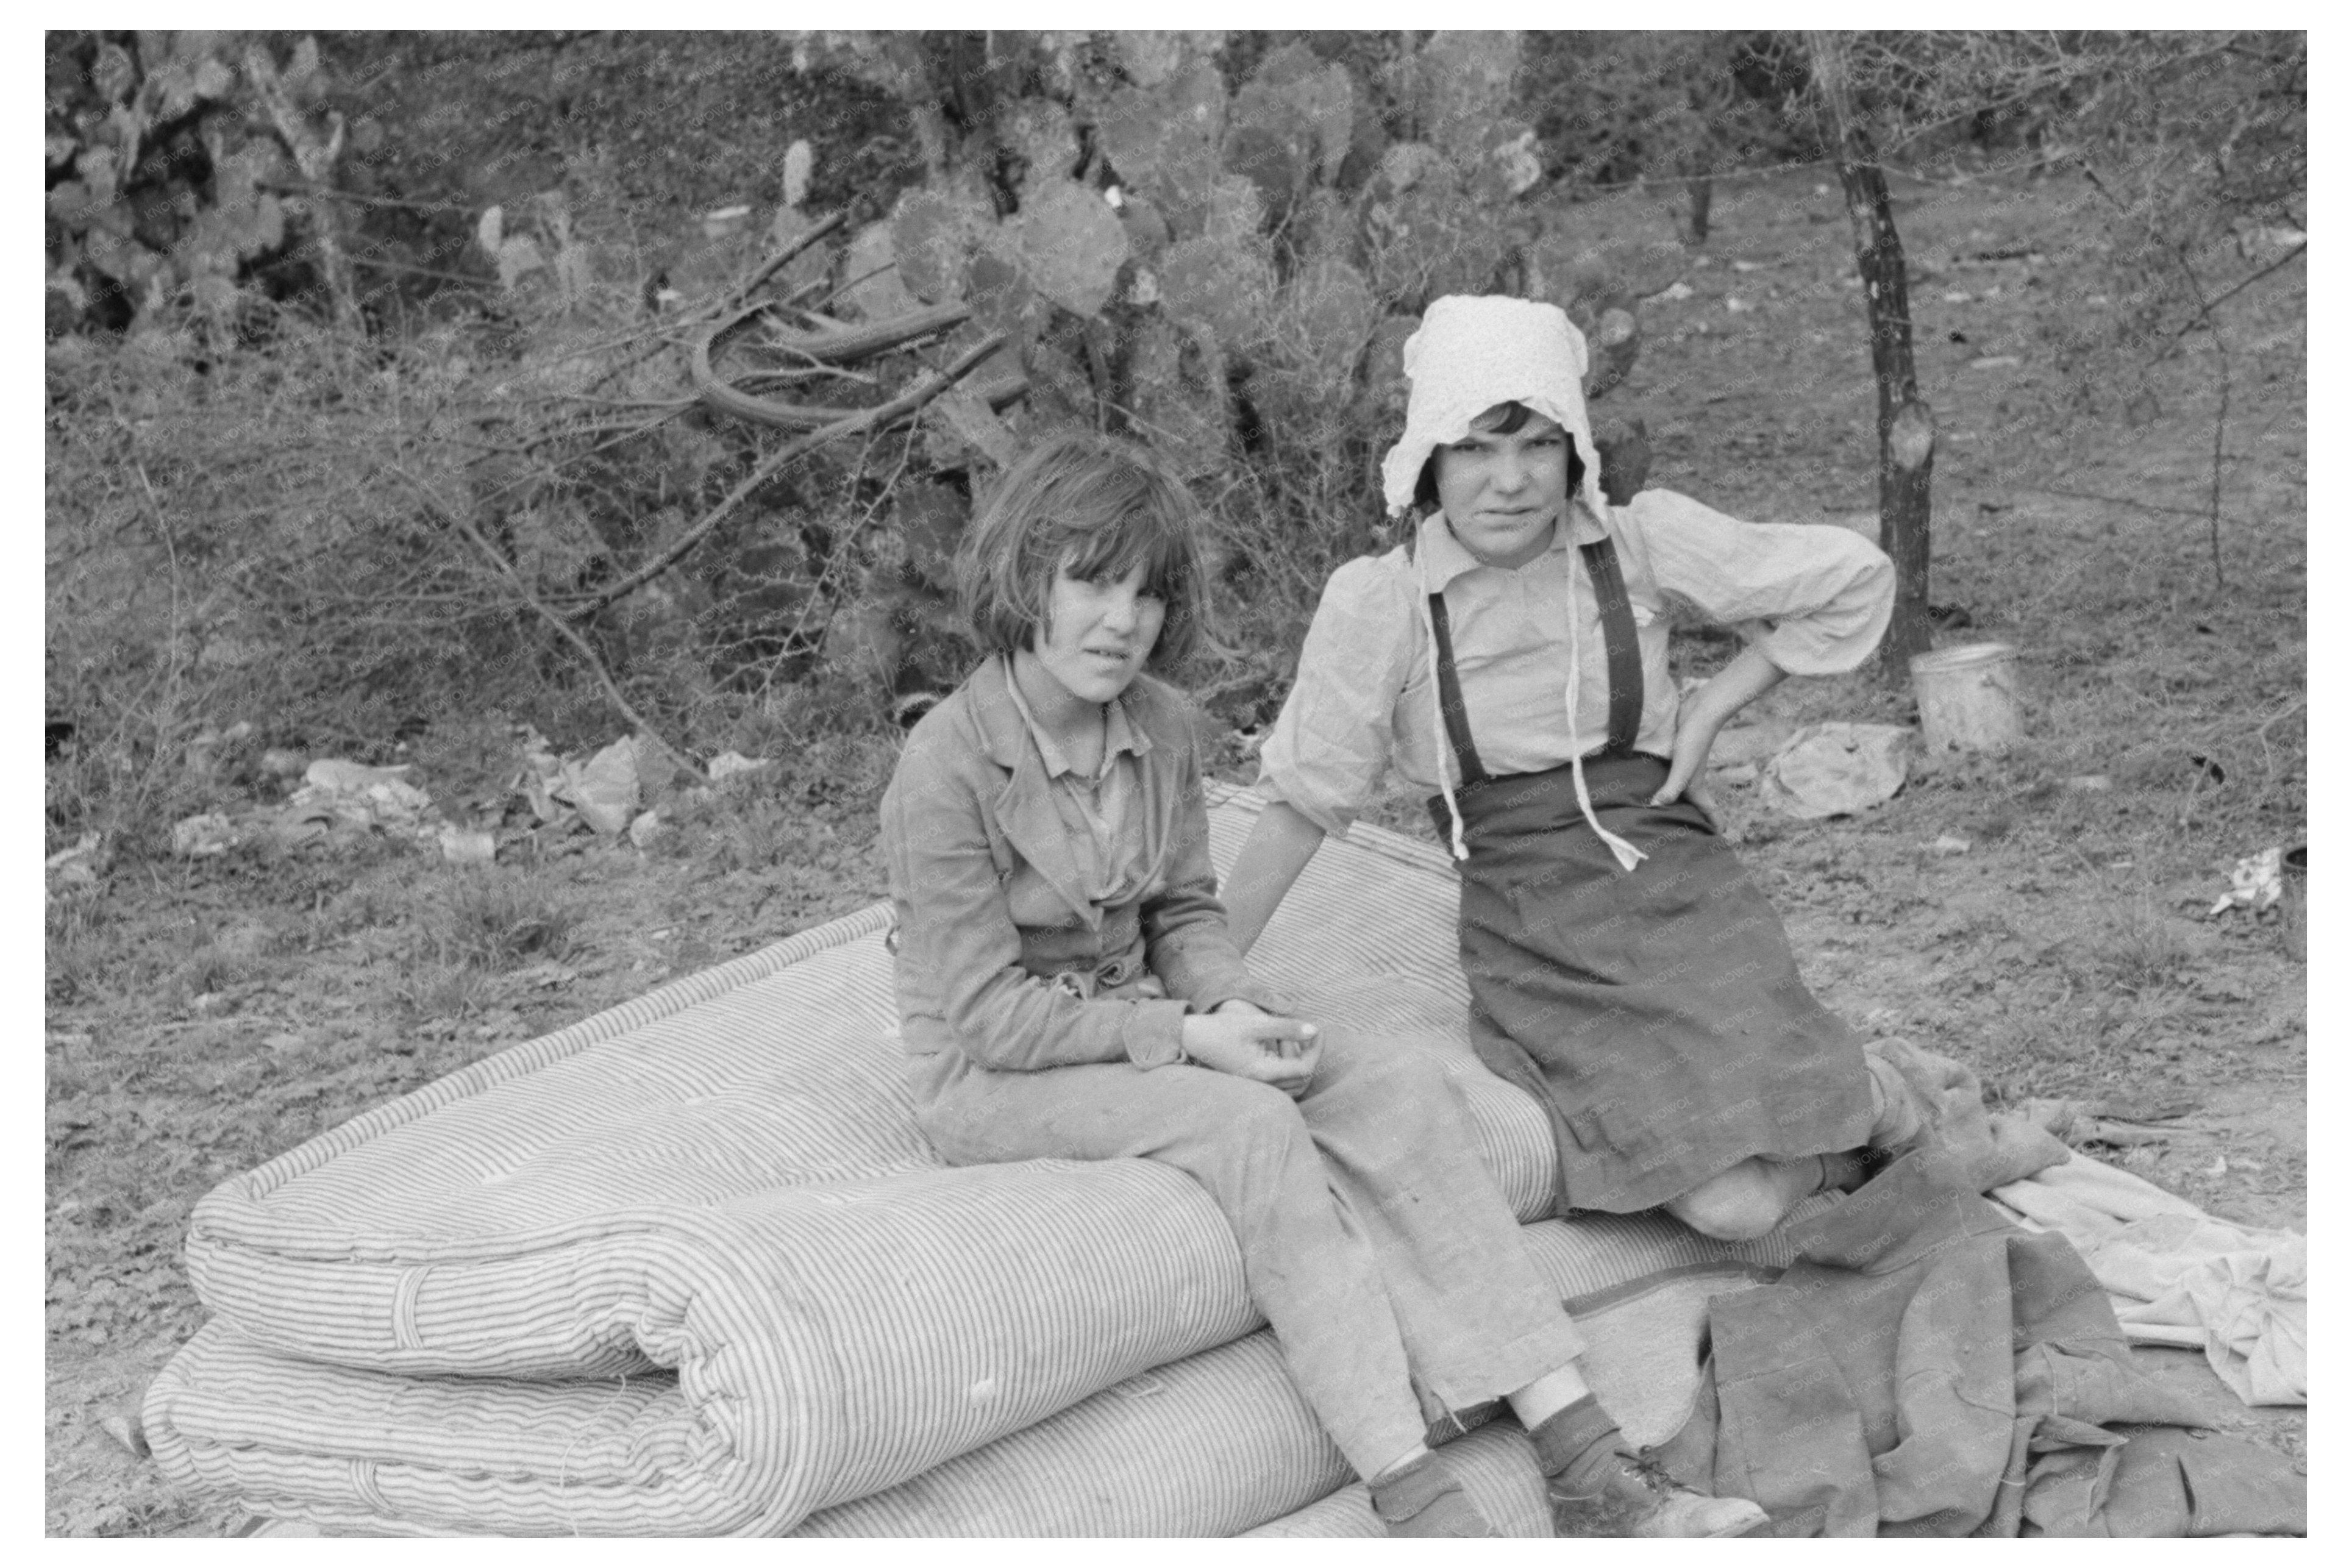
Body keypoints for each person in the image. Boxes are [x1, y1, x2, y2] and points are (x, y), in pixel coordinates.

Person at [880, 429, 1767, 1538]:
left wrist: (1233, 1004)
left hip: (1144, 1021)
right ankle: (1415, 1496)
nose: (1122, 622)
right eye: (1091, 584)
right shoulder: (948, 765)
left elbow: (1182, 912)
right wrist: (1191, 1041)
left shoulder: (1157, 724)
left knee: (1387, 1086)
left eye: (1148, 595)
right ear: (1025, 582)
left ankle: (1585, 1457)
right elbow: (983, 1015)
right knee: (1253, 1129)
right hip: (999, 1067)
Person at [1225, 293, 1917, 1244]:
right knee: (1731, 1204)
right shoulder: (1378, 604)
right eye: (1474, 449)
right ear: (1428, 456)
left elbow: (1852, 577)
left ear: (1574, 451)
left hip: (1677, 879)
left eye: (1537, 445)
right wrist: (1202, 973)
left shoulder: (1636, 545)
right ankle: (1873, 1120)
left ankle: (1884, 1103)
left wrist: (1711, 708)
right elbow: (1303, 801)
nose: (1508, 483)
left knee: (1763, 1131)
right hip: (1531, 916)